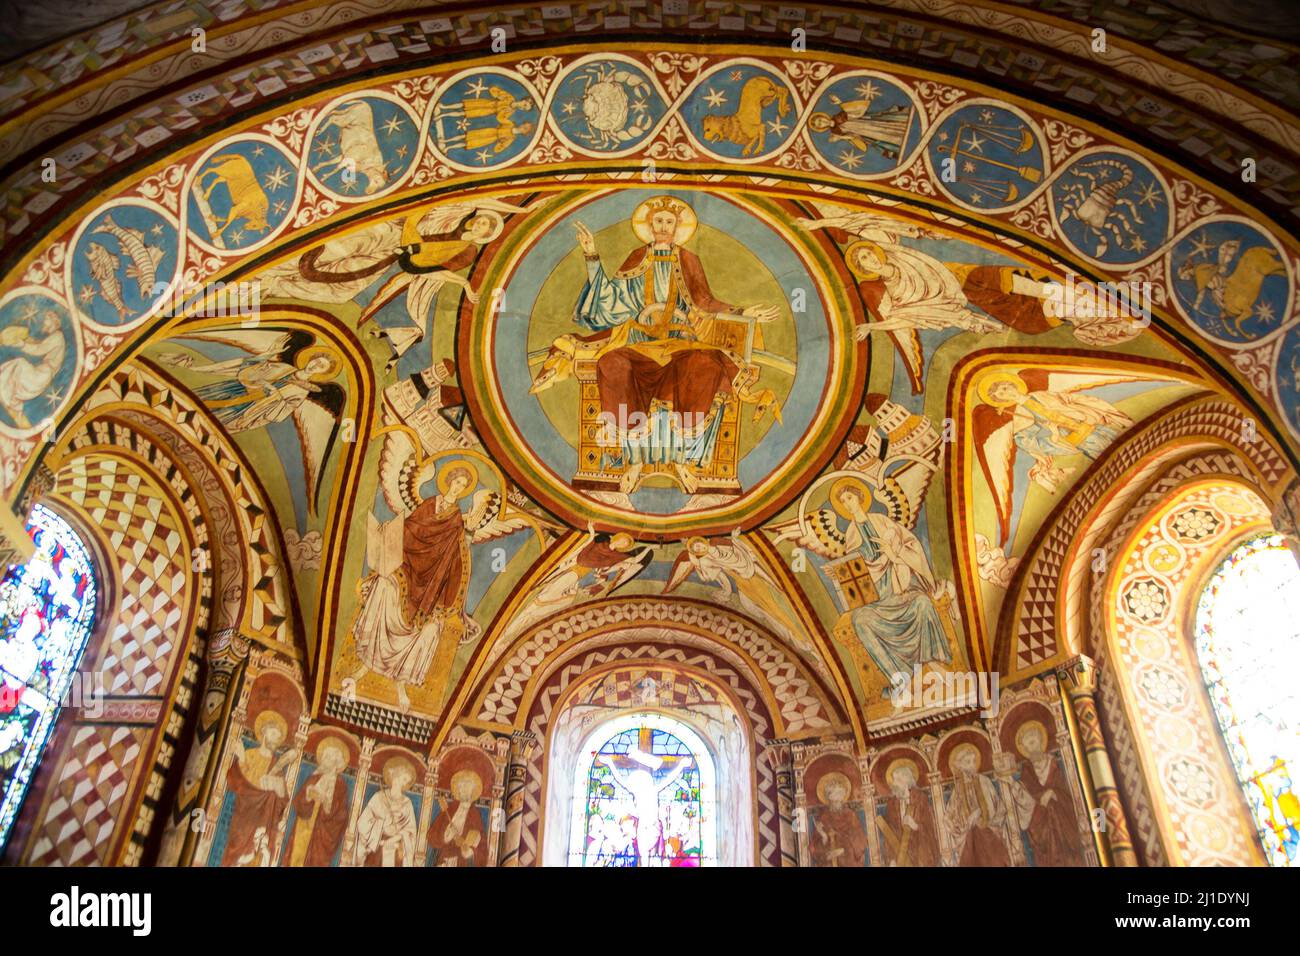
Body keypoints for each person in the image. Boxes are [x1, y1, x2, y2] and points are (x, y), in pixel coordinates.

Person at [221, 710, 296, 867]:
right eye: (274, 732)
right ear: (263, 732)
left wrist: (279, 790)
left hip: (263, 824)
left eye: (279, 735)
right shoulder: (249, 755)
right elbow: (234, 783)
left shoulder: (277, 767)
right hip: (243, 818)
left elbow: (281, 804)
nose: (277, 737)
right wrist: (241, 761)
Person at [1007, 721, 1084, 866]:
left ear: (1041, 740)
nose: (1032, 747)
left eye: (1034, 741)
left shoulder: (1054, 763)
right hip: (1039, 822)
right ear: (1024, 748)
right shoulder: (1026, 770)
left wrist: (1053, 793)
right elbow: (1025, 797)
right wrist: (1015, 788)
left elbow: (1068, 792)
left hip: (1061, 820)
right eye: (1028, 744)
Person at [284, 738, 351, 867]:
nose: (326, 761)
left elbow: (342, 814)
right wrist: (309, 795)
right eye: (325, 757)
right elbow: (298, 801)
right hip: (305, 825)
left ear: (337, 763)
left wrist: (326, 802)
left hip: (323, 832)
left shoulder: (340, 785)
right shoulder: (315, 777)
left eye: (330, 758)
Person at [355, 757, 419, 867]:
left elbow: (411, 831)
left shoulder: (407, 803)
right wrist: (380, 823)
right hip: (378, 845)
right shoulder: (379, 797)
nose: (402, 783)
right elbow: (362, 822)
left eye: (406, 781)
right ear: (393, 775)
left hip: (396, 847)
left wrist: (397, 837)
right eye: (401, 778)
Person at [809, 771, 868, 867]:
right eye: (834, 793)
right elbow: (814, 848)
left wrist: (842, 850)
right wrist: (824, 837)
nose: (838, 798)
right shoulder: (823, 818)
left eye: (840, 793)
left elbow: (860, 841)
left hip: (848, 860)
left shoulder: (850, 815)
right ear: (828, 797)